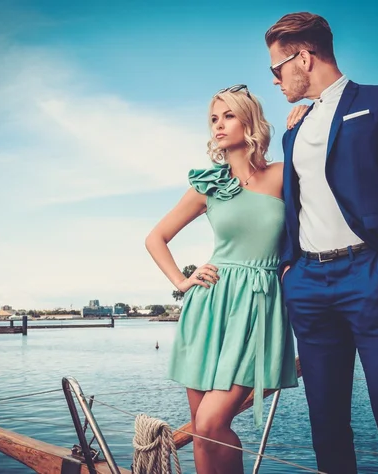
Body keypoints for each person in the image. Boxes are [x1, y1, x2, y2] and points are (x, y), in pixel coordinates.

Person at [265, 12, 378, 474]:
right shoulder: (295, 127)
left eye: (276, 69)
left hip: (372, 276)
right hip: (308, 285)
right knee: (326, 429)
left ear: (303, 57)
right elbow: (295, 202)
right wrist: (290, 269)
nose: (275, 80)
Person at [145, 85, 300, 474]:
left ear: (249, 120)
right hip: (210, 305)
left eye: (228, 115)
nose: (218, 125)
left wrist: (303, 123)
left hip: (259, 306)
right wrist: (183, 282)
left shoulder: (283, 174)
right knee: (201, 431)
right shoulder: (208, 184)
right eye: (214, 118)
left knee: (214, 422)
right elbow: (155, 238)